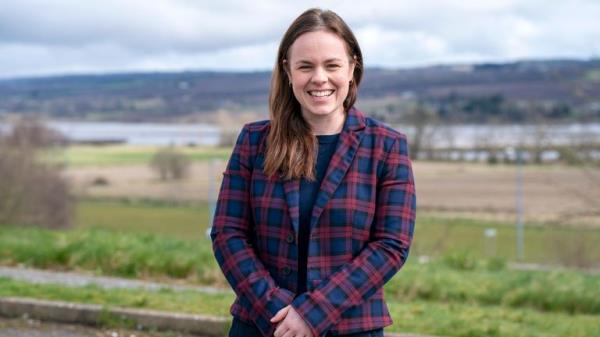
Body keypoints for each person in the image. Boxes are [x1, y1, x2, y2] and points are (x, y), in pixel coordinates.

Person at [211, 7, 416, 337]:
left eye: (332, 65)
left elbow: (390, 245)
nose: (319, 77)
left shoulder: (386, 146)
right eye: (306, 66)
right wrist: (278, 311)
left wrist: (312, 313)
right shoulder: (253, 141)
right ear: (288, 71)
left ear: (352, 69)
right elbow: (227, 234)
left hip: (351, 327)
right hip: (264, 326)